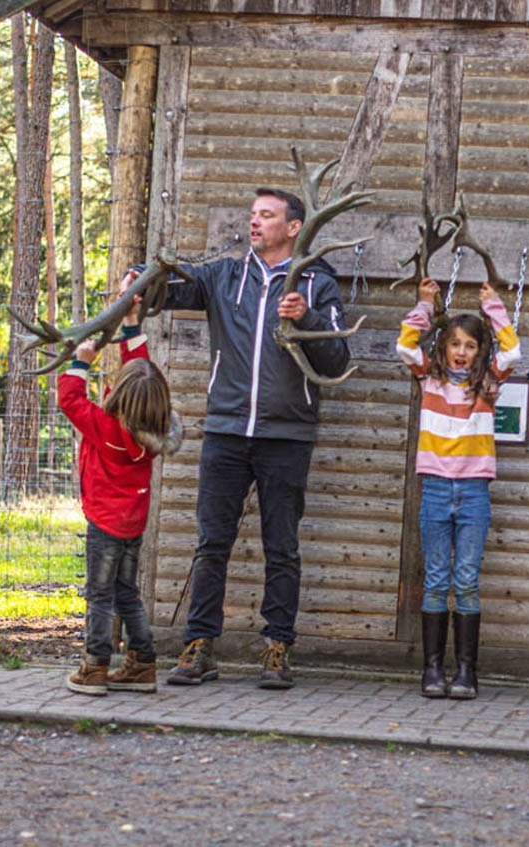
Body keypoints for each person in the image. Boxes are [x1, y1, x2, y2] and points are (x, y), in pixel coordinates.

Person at [126, 187, 352, 690]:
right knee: (212, 543)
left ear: (293, 227)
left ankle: (276, 648)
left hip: (287, 436)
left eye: (266, 215)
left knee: (282, 547)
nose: (255, 222)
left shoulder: (317, 284)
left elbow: (337, 360)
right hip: (227, 431)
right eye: (252, 214)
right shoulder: (225, 274)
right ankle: (200, 643)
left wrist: (306, 318)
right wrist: (139, 280)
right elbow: (167, 294)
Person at [396, 277, 522, 699]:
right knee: (435, 579)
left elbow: (513, 351)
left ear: (479, 350)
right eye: (455, 345)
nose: (462, 353)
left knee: (465, 579)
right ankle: (432, 669)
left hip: (473, 491)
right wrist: (425, 305)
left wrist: (495, 311)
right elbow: (405, 345)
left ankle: (466, 671)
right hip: (434, 488)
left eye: (470, 345)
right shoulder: (428, 380)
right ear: (444, 347)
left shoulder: (488, 385)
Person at [59, 296, 181, 696]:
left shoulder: (105, 428)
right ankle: (142, 664)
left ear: (121, 396)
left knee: (99, 595)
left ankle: (94, 667)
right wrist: (131, 327)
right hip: (133, 525)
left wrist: (80, 360)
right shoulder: (152, 431)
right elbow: (143, 375)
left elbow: (70, 399)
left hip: (104, 525)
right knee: (126, 593)